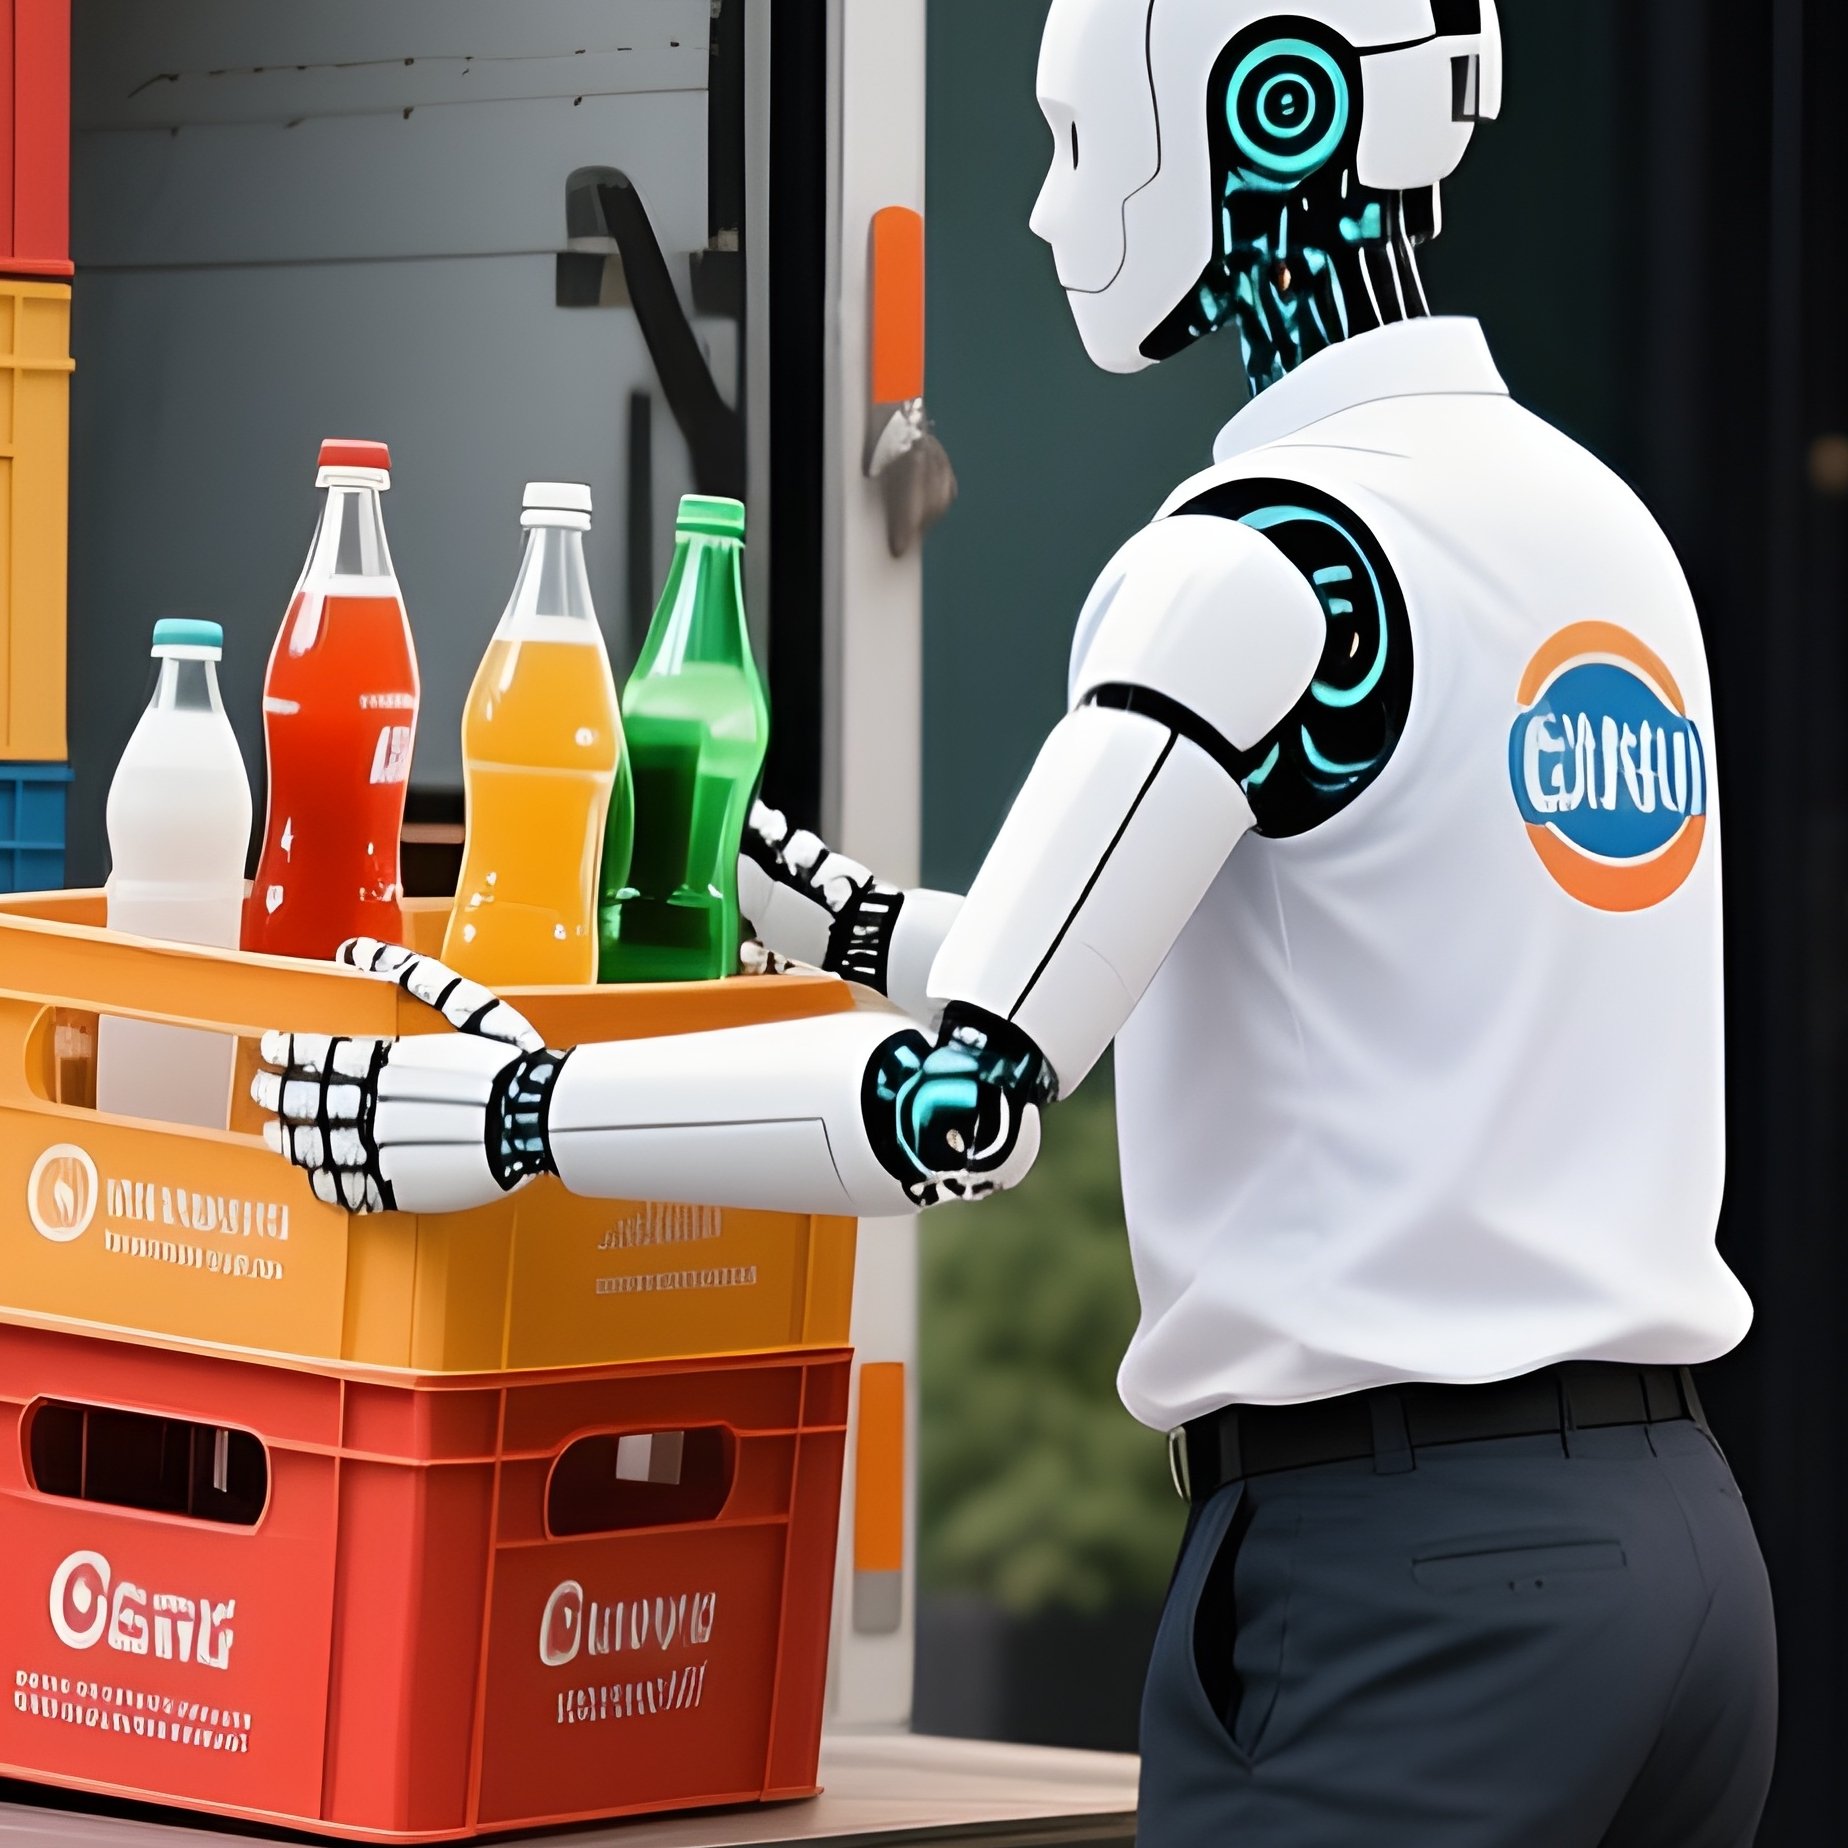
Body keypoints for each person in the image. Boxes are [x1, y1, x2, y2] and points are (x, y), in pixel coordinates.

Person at [254, 1, 1778, 1839]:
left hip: (1415, 1591)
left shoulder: (1264, 554)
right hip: (1683, 1564)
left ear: (1275, 111)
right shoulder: (1599, 536)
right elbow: (1309, 966)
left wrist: (509, 1120)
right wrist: (853, 917)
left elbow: (959, 1105)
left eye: (1078, 141)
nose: (1052, 216)